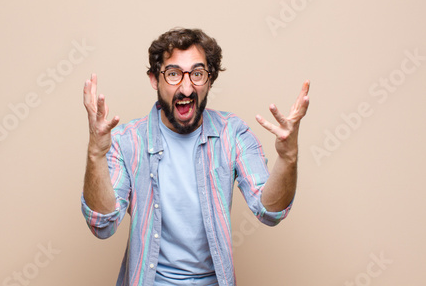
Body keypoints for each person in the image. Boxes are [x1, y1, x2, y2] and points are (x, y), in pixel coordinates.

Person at [81, 28, 310, 286]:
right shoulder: (126, 140)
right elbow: (102, 224)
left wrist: (288, 157)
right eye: (173, 74)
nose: (187, 87)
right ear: (154, 79)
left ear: (209, 80)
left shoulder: (232, 133)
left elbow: (270, 212)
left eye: (198, 74)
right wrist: (96, 154)